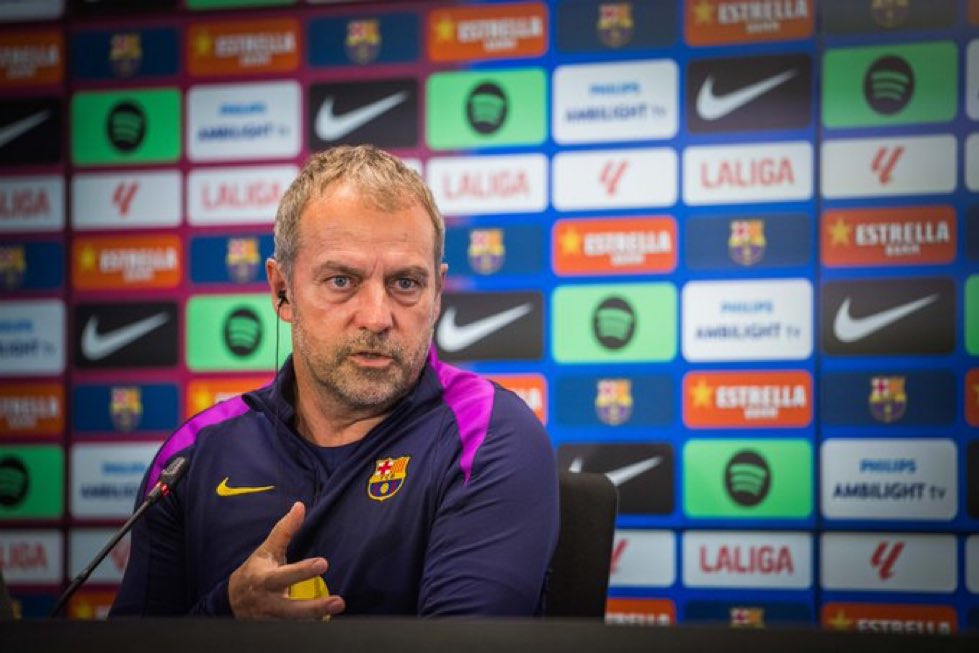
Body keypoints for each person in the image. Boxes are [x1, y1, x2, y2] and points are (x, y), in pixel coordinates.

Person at [110, 145, 559, 618]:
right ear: (282, 292)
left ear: (438, 293)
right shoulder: (191, 457)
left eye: (406, 283)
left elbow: (463, 647)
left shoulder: (487, 436)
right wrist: (226, 613)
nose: (377, 317)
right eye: (342, 281)